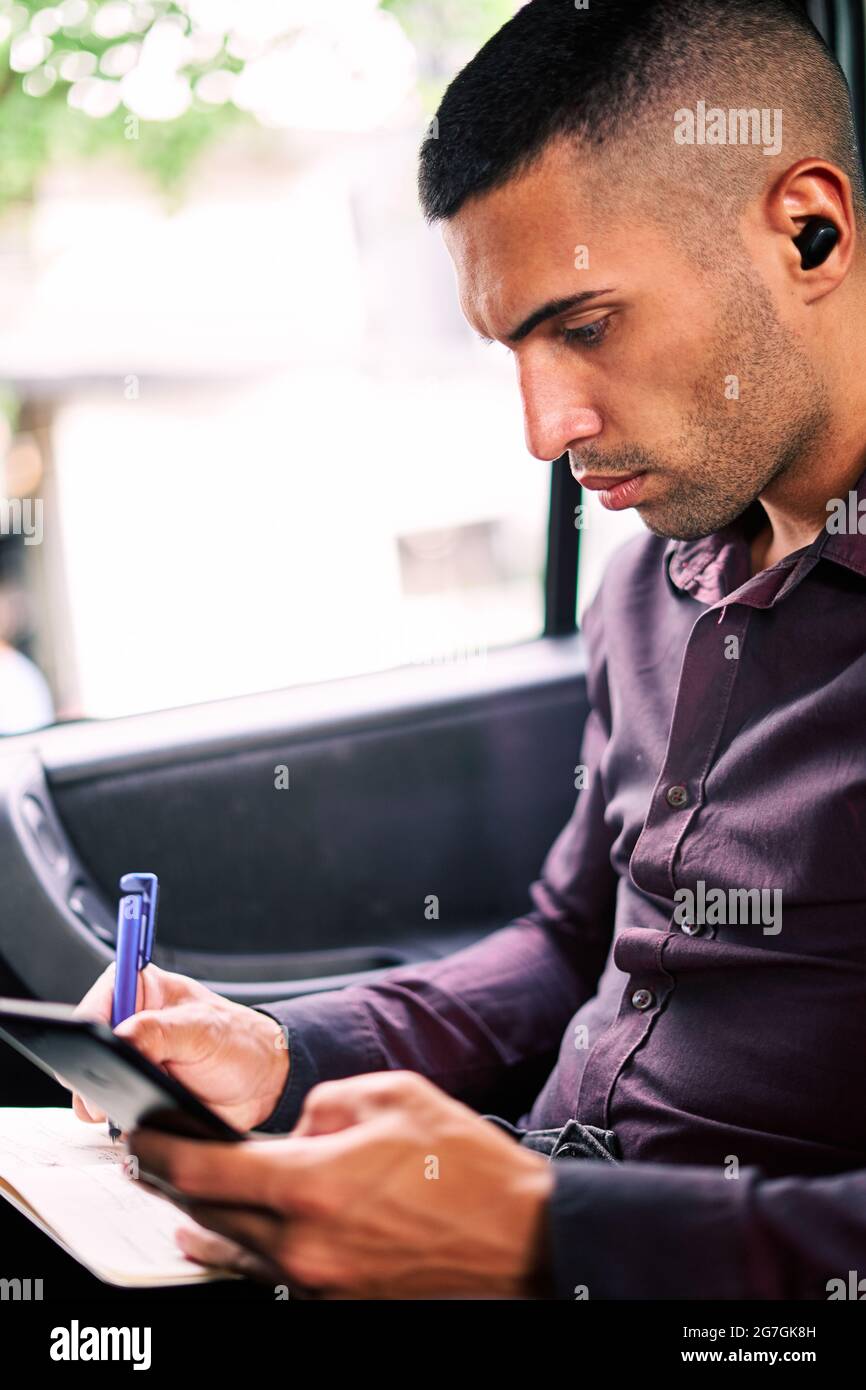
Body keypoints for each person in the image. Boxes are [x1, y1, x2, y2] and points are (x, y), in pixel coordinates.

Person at [66, 0, 866, 1299]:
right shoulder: (644, 591)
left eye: (588, 324)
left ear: (805, 228)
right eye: (512, 347)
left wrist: (542, 1234)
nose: (543, 428)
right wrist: (281, 1049)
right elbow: (569, 942)